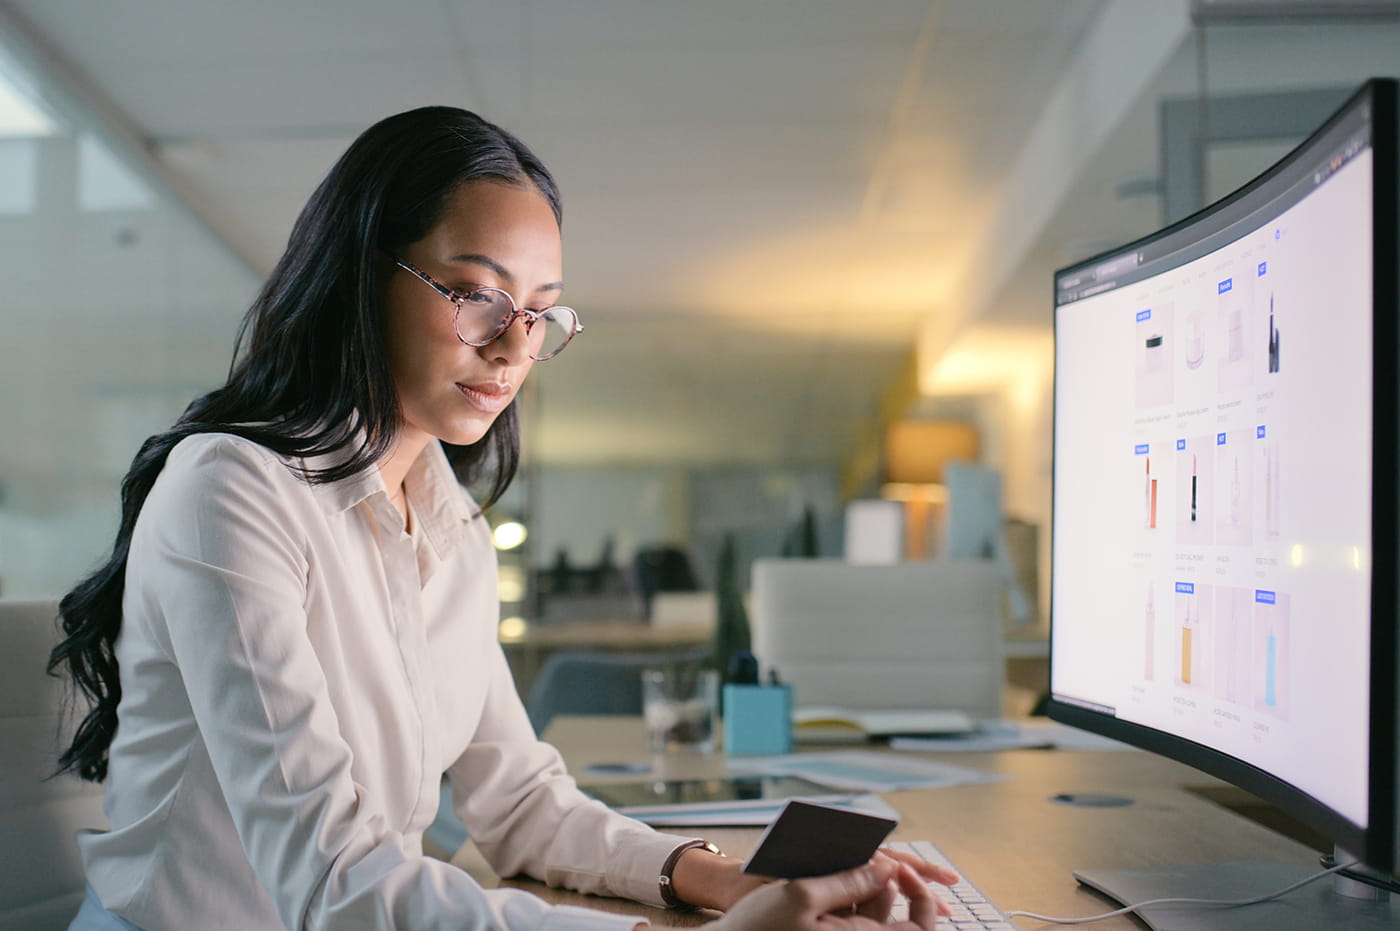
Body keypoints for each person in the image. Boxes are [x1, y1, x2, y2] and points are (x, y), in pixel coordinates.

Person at [48, 106, 955, 930]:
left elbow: (521, 803)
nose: (517, 345)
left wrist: (726, 878)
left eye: (540, 312)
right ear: (362, 277)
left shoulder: (452, 530)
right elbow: (332, 881)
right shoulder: (231, 490)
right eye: (477, 294)